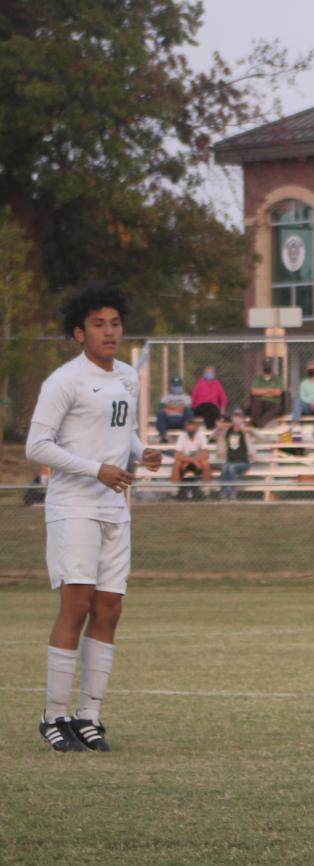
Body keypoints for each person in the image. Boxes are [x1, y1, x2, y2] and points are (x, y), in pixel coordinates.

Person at [24, 284, 161, 752]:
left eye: (115, 323)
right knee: (76, 606)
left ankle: (89, 716)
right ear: (79, 332)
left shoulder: (127, 375)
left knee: (110, 608)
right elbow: (37, 447)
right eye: (98, 324)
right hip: (74, 506)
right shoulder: (64, 381)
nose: (109, 332)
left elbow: (127, 431)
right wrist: (95, 470)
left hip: (115, 508)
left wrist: (145, 451)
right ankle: (54, 715)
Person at [218, 409, 253, 499]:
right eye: (235, 416)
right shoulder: (228, 430)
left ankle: (233, 493)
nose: (236, 419)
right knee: (225, 467)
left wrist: (249, 430)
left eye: (239, 416)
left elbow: (261, 436)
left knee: (231, 467)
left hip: (243, 462)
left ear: (242, 418)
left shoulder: (245, 431)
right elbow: (212, 436)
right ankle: (223, 493)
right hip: (230, 461)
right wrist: (219, 428)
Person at [170, 414, 212, 490]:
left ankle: (206, 489)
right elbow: (177, 455)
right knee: (176, 464)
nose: (191, 427)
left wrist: (194, 461)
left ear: (196, 427)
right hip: (185, 463)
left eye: (193, 424)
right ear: (186, 426)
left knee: (206, 464)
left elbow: (205, 453)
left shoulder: (201, 435)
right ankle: (175, 490)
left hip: (197, 463)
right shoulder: (182, 436)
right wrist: (191, 461)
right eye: (189, 424)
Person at [249, 358, 284, 428]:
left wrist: (261, 392)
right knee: (255, 406)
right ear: (263, 367)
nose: (267, 368)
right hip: (260, 401)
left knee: (277, 409)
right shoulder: (258, 378)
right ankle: (259, 425)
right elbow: (253, 391)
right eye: (266, 366)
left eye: (268, 366)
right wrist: (270, 390)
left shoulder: (277, 379)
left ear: (271, 367)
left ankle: (259, 425)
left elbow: (278, 392)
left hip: (273, 402)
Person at [190, 365, 227, 429]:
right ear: (204, 374)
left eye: (210, 373)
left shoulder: (217, 383)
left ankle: (208, 429)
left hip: (212, 409)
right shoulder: (199, 382)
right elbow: (193, 396)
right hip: (200, 407)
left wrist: (222, 407)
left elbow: (223, 397)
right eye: (207, 373)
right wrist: (192, 408)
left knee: (209, 412)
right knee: (209, 406)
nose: (209, 374)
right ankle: (211, 429)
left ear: (214, 374)